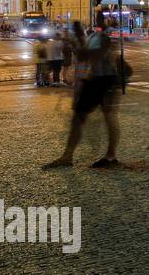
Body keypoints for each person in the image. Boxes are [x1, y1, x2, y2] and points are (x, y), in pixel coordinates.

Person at [43, 13, 122, 169]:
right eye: (98, 17)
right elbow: (82, 55)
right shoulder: (93, 36)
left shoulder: (107, 38)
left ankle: (111, 155)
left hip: (107, 81)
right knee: (78, 118)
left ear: (109, 21)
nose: (99, 20)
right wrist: (78, 40)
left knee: (109, 118)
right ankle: (67, 156)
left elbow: (94, 55)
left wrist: (80, 42)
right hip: (94, 80)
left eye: (103, 17)